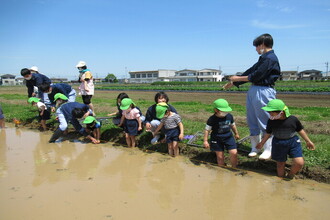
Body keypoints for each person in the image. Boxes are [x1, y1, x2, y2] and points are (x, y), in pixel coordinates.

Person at [223, 33, 281, 160]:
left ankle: (268, 149)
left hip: (264, 90)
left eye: (256, 46)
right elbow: (250, 72)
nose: (256, 49)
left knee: (265, 119)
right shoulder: (263, 58)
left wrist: (237, 78)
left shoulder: (270, 58)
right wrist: (234, 82)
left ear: (262, 45)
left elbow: (257, 75)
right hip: (254, 90)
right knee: (252, 119)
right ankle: (255, 147)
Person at [256, 99, 315, 179]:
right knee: (280, 164)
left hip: (293, 142)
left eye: (271, 112)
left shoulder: (293, 120)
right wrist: (262, 143)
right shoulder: (271, 121)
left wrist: (308, 141)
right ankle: (280, 180)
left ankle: (290, 175)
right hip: (278, 142)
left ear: (281, 112)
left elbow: (300, 130)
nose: (270, 114)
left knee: (299, 162)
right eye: (269, 112)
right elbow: (268, 133)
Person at [203, 99, 240, 167]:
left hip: (228, 137)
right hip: (216, 138)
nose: (225, 112)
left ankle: (234, 168)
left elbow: (233, 125)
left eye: (226, 111)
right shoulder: (212, 119)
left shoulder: (229, 116)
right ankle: (221, 170)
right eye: (223, 111)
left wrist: (236, 133)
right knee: (220, 157)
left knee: (233, 152)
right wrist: (205, 141)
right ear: (216, 110)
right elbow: (207, 130)